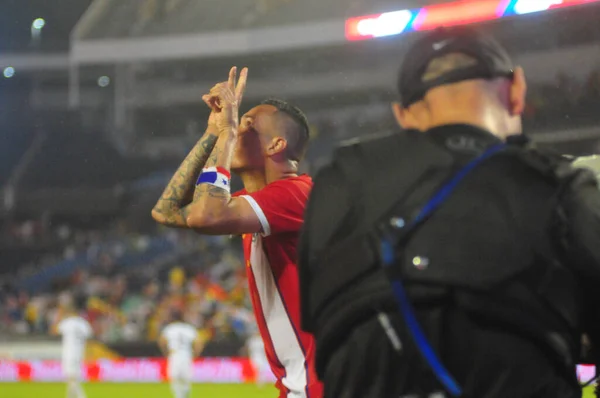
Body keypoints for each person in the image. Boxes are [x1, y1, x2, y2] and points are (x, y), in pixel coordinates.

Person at [299, 27, 600, 398]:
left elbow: (326, 331)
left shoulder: (336, 182)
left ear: (403, 115)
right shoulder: (560, 186)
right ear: (517, 90)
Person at [152, 67, 323, 398]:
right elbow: (167, 211)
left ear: (276, 144)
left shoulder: (296, 193)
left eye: (247, 125)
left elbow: (206, 216)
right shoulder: (256, 204)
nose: (236, 127)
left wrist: (227, 136)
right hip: (299, 385)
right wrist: (212, 135)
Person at [159, 311, 204, 398]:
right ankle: (185, 394)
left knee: (174, 377)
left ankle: (179, 396)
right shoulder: (188, 328)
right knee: (186, 378)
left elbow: (162, 340)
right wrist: (196, 353)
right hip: (186, 354)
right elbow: (199, 341)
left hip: (174, 354)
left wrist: (165, 352)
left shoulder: (170, 328)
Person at [54, 299, 93, 398]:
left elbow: (54, 330)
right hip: (79, 353)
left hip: (69, 353)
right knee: (73, 377)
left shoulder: (67, 322)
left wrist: (59, 314)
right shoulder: (83, 323)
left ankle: (82, 396)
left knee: (71, 377)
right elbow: (89, 337)